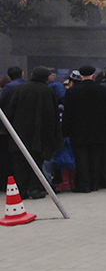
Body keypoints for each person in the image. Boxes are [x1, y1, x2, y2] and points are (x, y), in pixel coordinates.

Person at [5, 66, 63, 199]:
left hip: (19, 133)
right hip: (40, 136)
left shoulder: (19, 89)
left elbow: (10, 110)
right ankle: (35, 189)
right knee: (37, 162)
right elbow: (52, 116)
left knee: (20, 163)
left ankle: (22, 190)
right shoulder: (48, 91)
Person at [63, 65, 106, 192]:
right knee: (96, 158)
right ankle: (95, 184)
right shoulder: (104, 91)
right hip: (99, 131)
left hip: (78, 131)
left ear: (80, 76)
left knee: (81, 159)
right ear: (94, 76)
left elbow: (67, 114)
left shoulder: (72, 92)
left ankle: (84, 185)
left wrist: (65, 131)